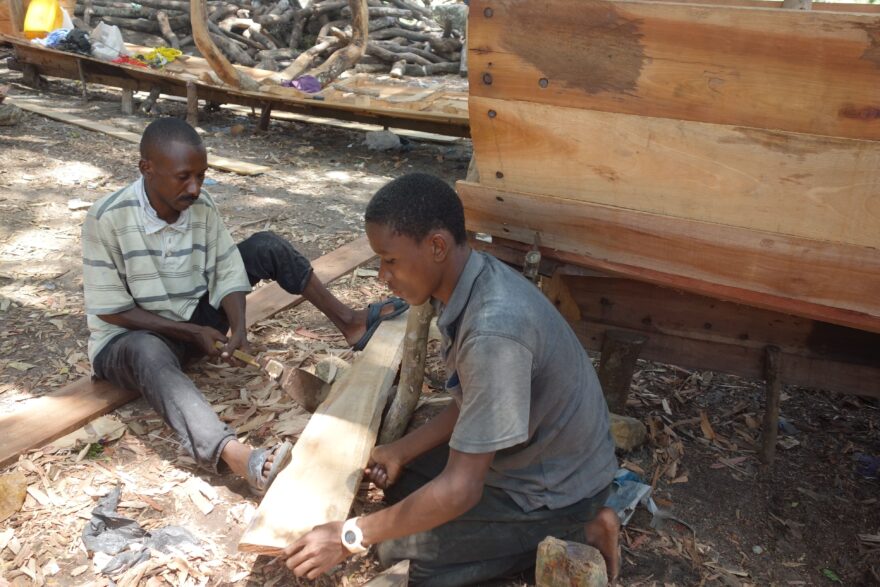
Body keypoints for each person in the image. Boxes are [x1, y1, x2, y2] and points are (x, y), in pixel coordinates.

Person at [283, 173, 621, 585]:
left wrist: (349, 536)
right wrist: (401, 451)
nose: (381, 277)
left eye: (389, 260)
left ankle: (583, 530)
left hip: (557, 490)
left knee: (403, 553)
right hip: (526, 456)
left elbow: (461, 489)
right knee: (402, 486)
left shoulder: (493, 331)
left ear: (437, 246)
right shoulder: (473, 281)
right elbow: (472, 403)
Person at [81, 118, 406, 495]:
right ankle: (235, 455)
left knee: (266, 245)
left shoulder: (200, 205)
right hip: (131, 338)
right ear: (146, 168)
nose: (195, 188)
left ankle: (349, 322)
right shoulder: (106, 218)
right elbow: (111, 310)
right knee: (146, 348)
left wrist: (238, 328)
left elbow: (226, 268)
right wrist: (193, 332)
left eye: (201, 176)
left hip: (191, 322)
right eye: (184, 177)